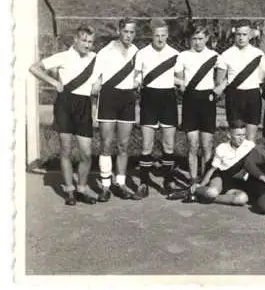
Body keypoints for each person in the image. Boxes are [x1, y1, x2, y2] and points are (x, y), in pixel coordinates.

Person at [29, 24, 98, 206]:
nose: (87, 45)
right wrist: (53, 82)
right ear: (75, 40)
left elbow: (100, 76)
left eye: (90, 42)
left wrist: (97, 83)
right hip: (65, 104)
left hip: (84, 105)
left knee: (86, 153)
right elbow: (35, 68)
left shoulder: (95, 58)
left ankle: (82, 188)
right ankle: (69, 190)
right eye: (84, 40)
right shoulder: (63, 56)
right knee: (66, 149)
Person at [92, 17, 141, 202]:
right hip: (109, 97)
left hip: (127, 98)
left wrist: (138, 80)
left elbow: (140, 73)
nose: (129, 35)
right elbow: (96, 76)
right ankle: (105, 186)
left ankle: (120, 184)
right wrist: (95, 85)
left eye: (132, 32)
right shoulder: (106, 51)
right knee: (106, 143)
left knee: (123, 145)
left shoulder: (137, 51)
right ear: (119, 31)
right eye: (126, 31)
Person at [133, 18, 179, 198]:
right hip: (149, 98)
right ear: (151, 35)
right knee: (147, 145)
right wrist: (135, 83)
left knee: (169, 144)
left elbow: (180, 78)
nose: (160, 39)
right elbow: (137, 76)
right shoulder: (142, 53)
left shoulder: (175, 54)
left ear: (167, 35)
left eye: (163, 35)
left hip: (168, 98)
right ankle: (143, 183)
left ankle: (168, 182)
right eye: (157, 35)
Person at [175, 23, 224, 181]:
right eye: (194, 39)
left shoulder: (215, 56)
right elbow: (178, 78)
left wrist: (219, 88)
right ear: (190, 39)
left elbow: (224, 75)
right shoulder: (183, 56)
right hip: (190, 100)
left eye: (201, 38)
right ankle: (193, 180)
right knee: (193, 144)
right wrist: (182, 86)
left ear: (207, 38)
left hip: (207, 101)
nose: (197, 42)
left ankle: (206, 179)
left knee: (207, 144)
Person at [215, 19, 265, 141]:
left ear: (250, 35)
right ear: (234, 34)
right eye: (238, 34)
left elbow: (262, 78)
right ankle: (236, 159)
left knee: (250, 136)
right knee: (236, 136)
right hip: (234, 95)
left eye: (244, 34)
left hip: (253, 95)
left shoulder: (258, 53)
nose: (241, 38)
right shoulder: (226, 54)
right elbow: (219, 81)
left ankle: (250, 160)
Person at [187, 120, 254, 206]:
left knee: (242, 199)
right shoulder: (222, 148)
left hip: (235, 181)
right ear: (229, 135)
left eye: (244, 135)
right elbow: (212, 170)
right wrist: (201, 185)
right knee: (212, 192)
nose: (241, 138)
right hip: (220, 177)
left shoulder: (250, 146)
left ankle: (206, 198)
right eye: (238, 135)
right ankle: (196, 190)